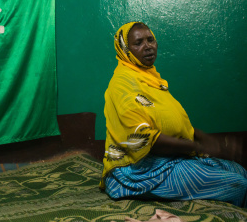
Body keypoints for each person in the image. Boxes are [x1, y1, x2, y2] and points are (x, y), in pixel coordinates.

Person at [100, 21, 247, 208]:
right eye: (138, 43)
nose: (148, 47)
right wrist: (197, 146)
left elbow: (174, 123)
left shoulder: (151, 79)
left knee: (239, 170)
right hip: (139, 170)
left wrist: (205, 140)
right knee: (239, 185)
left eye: (150, 40)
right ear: (125, 49)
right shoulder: (122, 85)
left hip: (167, 157)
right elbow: (142, 139)